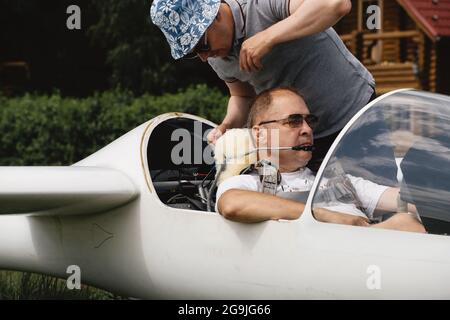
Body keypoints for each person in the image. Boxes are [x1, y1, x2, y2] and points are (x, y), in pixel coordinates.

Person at [150, 0, 376, 172]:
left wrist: (269, 37)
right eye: (193, 52)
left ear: (214, 15)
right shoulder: (216, 57)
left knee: (381, 206)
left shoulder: (260, 4)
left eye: (202, 45)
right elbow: (242, 97)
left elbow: (336, 5)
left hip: (355, 116)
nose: (203, 57)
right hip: (302, 142)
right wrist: (228, 125)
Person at [214, 87, 425, 233]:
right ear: (259, 134)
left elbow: (407, 200)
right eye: (294, 121)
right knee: (404, 224)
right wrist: (324, 216)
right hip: (326, 265)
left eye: (309, 121)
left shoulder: (340, 182)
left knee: (409, 221)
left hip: (363, 260)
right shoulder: (251, 183)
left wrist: (430, 198)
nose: (307, 129)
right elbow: (231, 204)